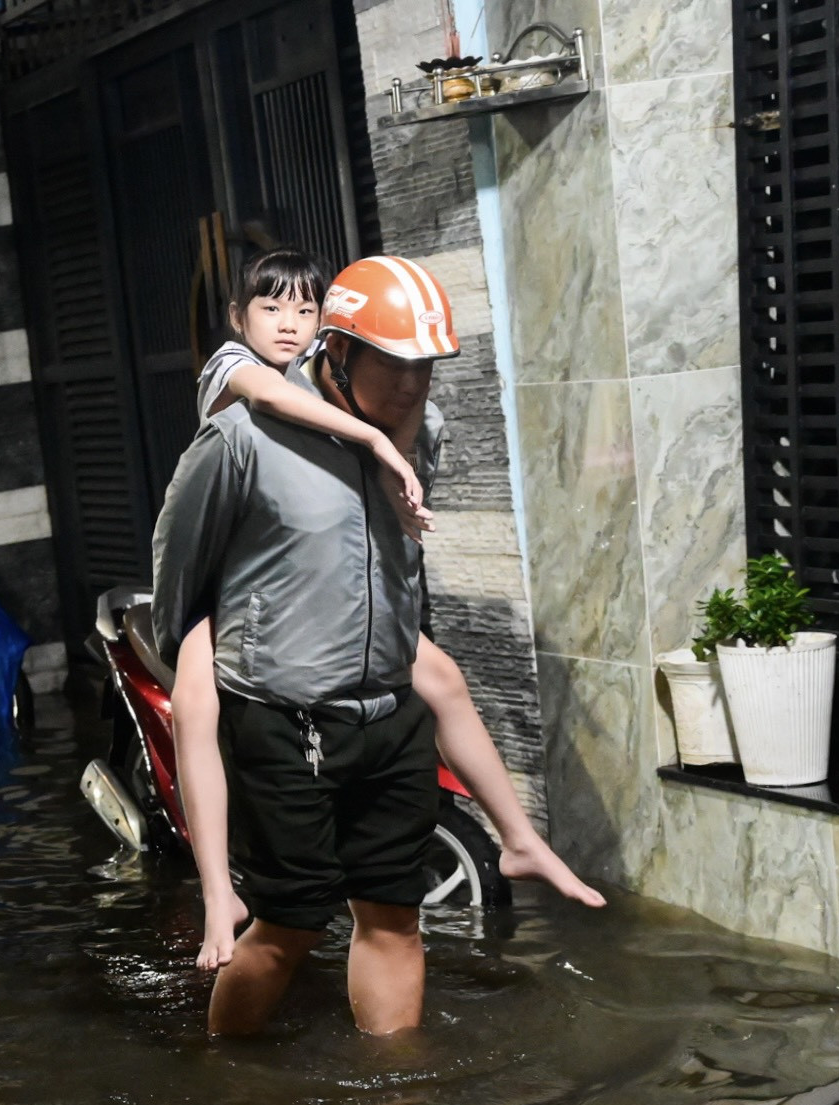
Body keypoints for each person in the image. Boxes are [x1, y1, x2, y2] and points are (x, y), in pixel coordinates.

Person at [155, 256, 599, 1038]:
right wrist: (207, 660)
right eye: (391, 367)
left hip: (389, 718)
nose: (409, 388)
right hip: (284, 721)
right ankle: (233, 1082)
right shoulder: (243, 436)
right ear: (336, 353)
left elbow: (394, 566)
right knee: (290, 926)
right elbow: (180, 567)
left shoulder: (425, 430)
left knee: (395, 917)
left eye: (423, 369)